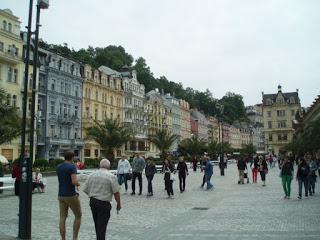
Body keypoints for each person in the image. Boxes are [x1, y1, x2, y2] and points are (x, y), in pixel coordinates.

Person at [83, 159, 121, 240]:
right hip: (104, 203)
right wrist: (118, 203)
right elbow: (116, 192)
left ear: (100, 165)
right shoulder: (111, 176)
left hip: (93, 201)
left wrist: (93, 195)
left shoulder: (92, 175)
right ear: (109, 166)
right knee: (102, 226)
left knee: (97, 224)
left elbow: (85, 189)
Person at [56, 151, 81, 240]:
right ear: (72, 157)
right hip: (70, 195)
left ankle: (63, 238)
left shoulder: (58, 167)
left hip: (61, 195)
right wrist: (78, 184)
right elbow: (74, 181)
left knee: (62, 217)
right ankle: (75, 238)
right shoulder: (72, 167)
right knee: (78, 216)